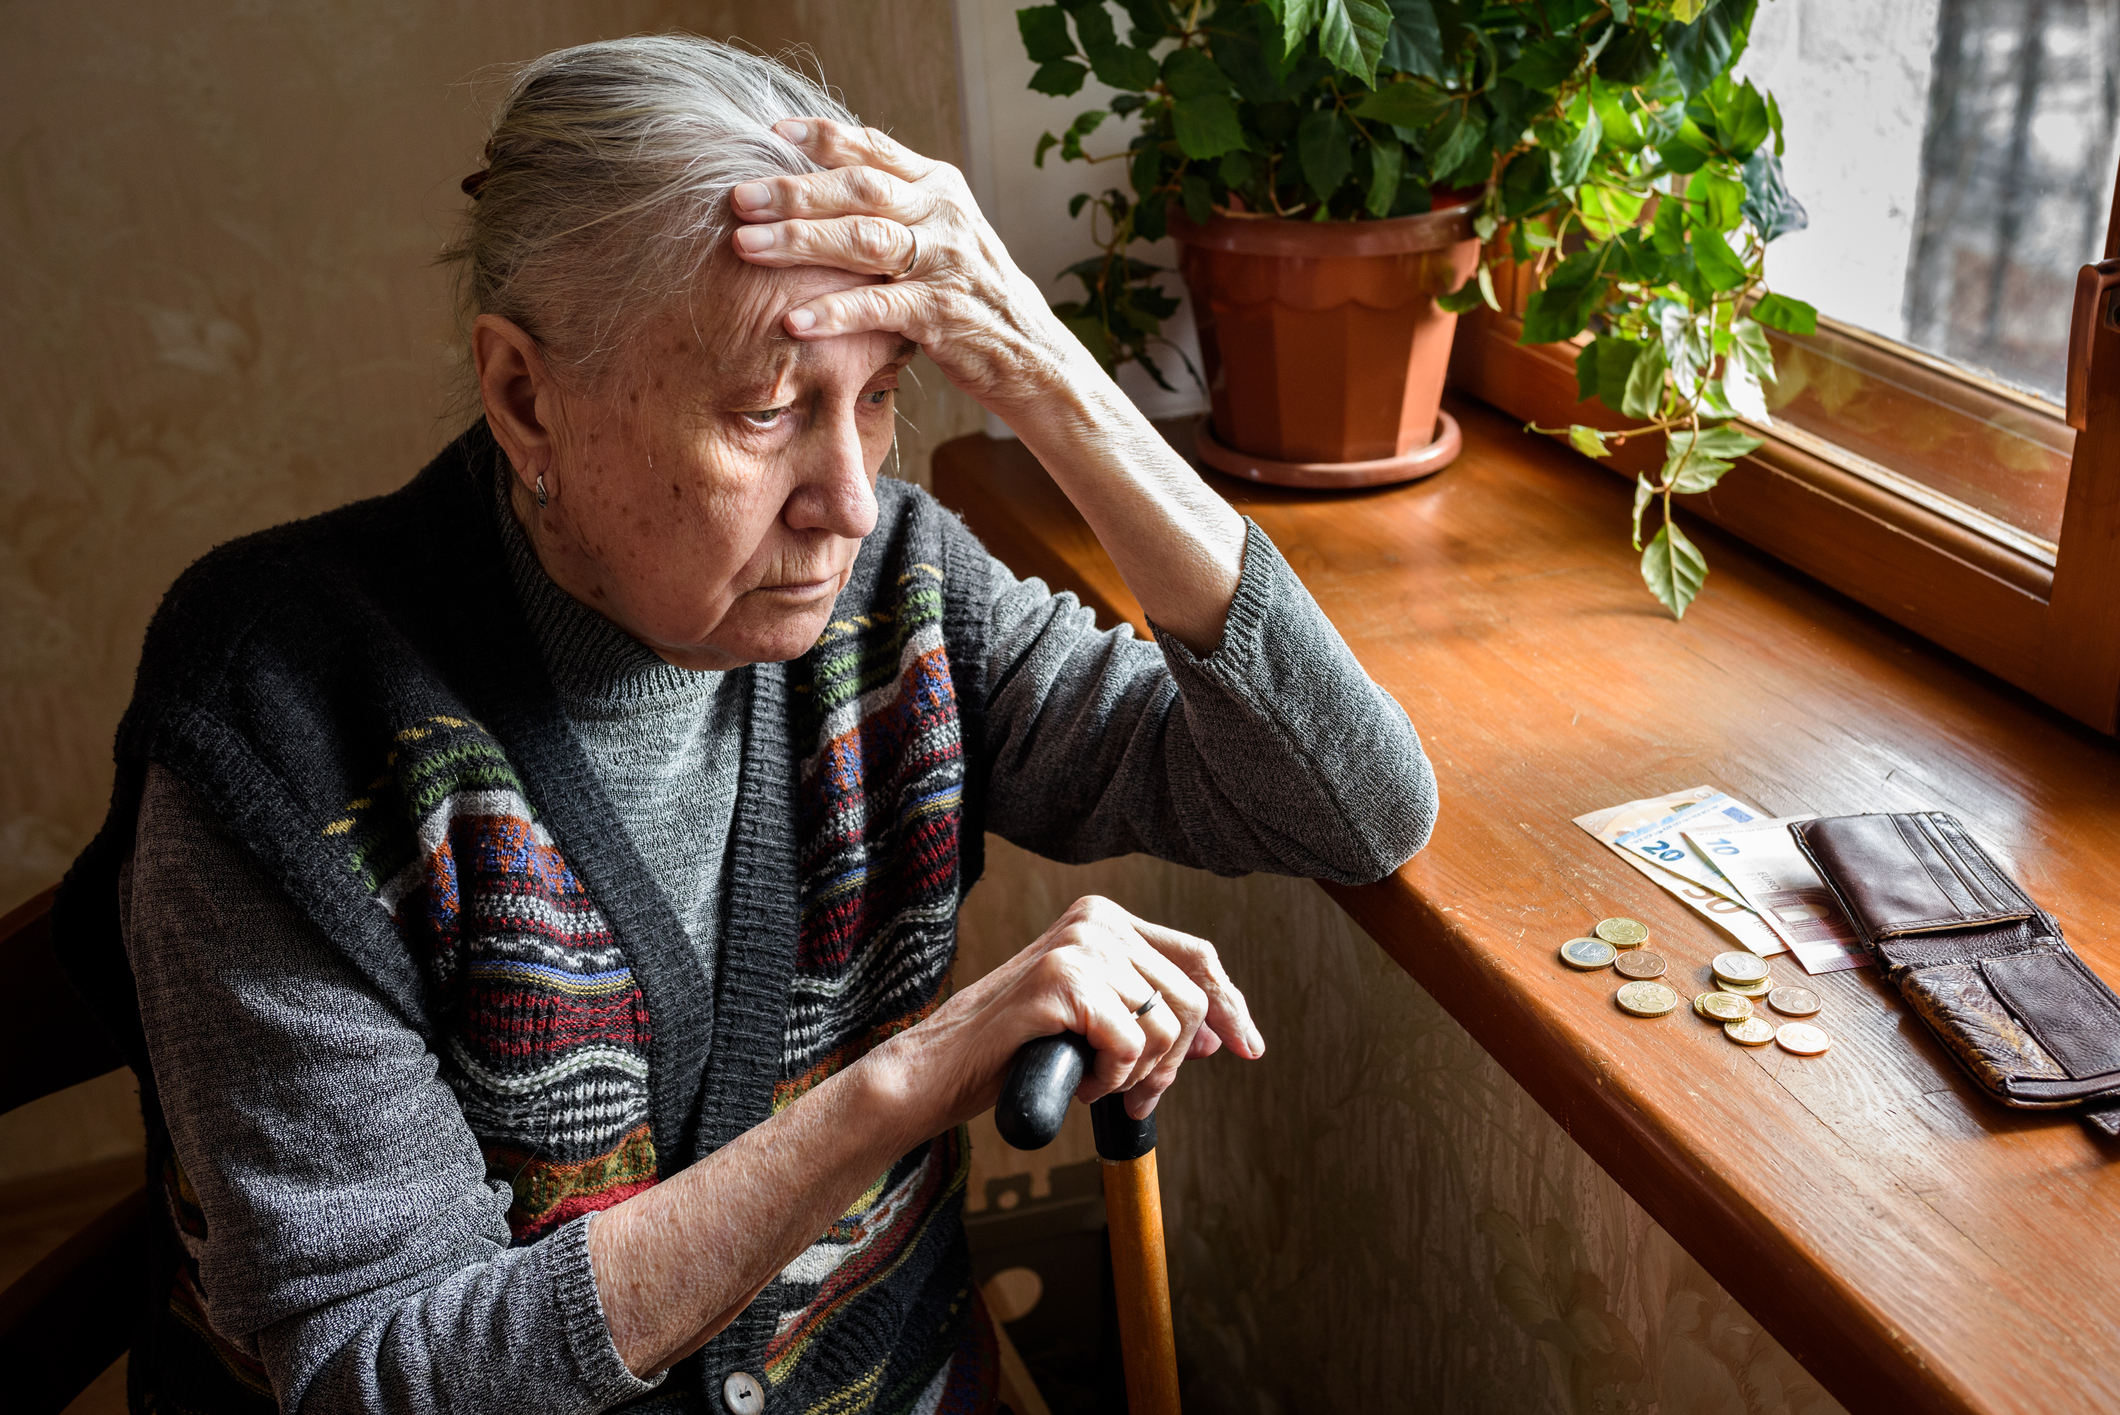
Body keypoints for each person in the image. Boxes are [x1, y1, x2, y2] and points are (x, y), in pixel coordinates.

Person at [54, 33, 1437, 1415]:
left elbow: (1348, 802)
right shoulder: (281, 729)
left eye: (882, 395)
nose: (847, 497)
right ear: (526, 396)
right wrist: (910, 1080)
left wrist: (1041, 368)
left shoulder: (898, 586)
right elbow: (385, 1375)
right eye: (769, 411)